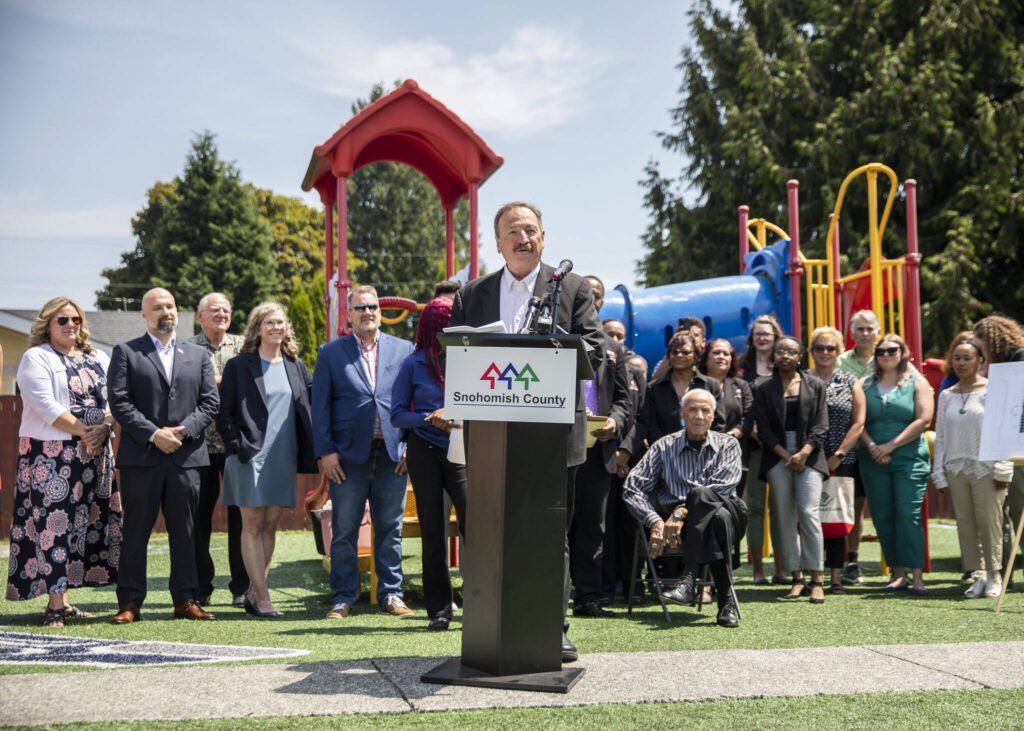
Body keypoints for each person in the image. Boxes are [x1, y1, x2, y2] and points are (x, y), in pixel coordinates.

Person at [450, 201, 604, 663]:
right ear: (498, 243)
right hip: (492, 434)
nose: (523, 238)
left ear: (544, 237)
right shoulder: (472, 294)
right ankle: (488, 624)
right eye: (513, 232)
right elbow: (455, 355)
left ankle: (551, 625)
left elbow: (593, 348)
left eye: (531, 230)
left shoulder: (572, 287)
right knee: (492, 528)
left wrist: (553, 349)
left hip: (552, 435)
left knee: (549, 530)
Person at [7, 298, 121, 627]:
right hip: (50, 455)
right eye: (62, 320)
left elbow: (116, 399)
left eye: (76, 319)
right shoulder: (36, 357)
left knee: (83, 527)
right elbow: (44, 404)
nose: (71, 324)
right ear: (47, 324)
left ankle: (67, 600)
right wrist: (88, 432)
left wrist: (104, 429)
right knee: (52, 528)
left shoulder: (98, 356)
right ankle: (55, 605)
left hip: (96, 454)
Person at [107, 288, 219, 623]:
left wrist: (182, 432)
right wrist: (155, 435)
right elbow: (120, 402)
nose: (165, 312)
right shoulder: (127, 352)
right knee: (136, 533)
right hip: (143, 458)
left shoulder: (197, 355)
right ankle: (130, 603)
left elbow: (210, 403)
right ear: (144, 315)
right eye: (157, 307)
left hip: (186, 458)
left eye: (170, 305)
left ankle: (186, 599)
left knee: (186, 532)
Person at [312, 285, 414, 620]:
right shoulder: (330, 353)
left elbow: (416, 400)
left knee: (390, 528)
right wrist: (326, 453)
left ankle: (391, 595)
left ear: (380, 313)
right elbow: (320, 407)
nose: (367, 312)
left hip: (392, 455)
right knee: (344, 530)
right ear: (349, 315)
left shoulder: (404, 350)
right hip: (347, 458)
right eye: (360, 308)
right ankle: (343, 597)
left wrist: (409, 445)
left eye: (372, 307)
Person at [217, 303, 316, 618]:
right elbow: (224, 412)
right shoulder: (239, 365)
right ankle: (262, 598)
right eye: (270, 322)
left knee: (272, 524)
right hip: (248, 456)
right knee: (253, 524)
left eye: (281, 322)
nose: (277, 327)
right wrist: (237, 445)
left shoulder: (296, 365)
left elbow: (314, 402)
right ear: (258, 327)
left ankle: (254, 592)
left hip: (283, 455)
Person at [622, 389, 746, 628]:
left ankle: (688, 578)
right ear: (682, 415)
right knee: (715, 520)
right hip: (690, 527)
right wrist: (654, 521)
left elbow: (722, 488)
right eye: (692, 410)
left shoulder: (728, 444)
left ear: (713, 416)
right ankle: (726, 603)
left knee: (706, 500)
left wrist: (680, 511)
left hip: (731, 518)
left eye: (705, 410)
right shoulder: (663, 446)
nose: (698, 416)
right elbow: (632, 488)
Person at [389, 297, 467, 631]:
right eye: (445, 322)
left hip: (463, 450)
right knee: (433, 531)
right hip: (424, 451)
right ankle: (439, 609)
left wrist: (457, 416)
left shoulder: (468, 361)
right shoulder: (413, 364)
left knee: (476, 525)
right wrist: (427, 418)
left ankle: (482, 600)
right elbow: (396, 415)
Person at [932, 339, 1013, 598]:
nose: (961, 363)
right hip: (956, 467)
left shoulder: (993, 391)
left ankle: (994, 574)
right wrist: (939, 473)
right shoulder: (946, 395)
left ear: (980, 361)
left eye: (967, 358)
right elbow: (940, 435)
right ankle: (976, 574)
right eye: (957, 358)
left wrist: (1003, 468)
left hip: (987, 468)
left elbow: (1005, 432)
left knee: (990, 523)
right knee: (966, 524)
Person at [752, 336, 830, 603]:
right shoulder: (764, 388)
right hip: (778, 456)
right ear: (774, 356)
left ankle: (817, 579)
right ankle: (796, 578)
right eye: (780, 351)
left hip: (810, 454)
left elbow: (821, 426)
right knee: (783, 516)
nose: (785, 355)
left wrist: (804, 452)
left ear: (800, 357)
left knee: (809, 513)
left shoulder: (816, 385)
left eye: (791, 352)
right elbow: (762, 429)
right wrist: (786, 455)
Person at [571, 275, 632, 618]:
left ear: (600, 302)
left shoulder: (613, 348)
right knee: (562, 523)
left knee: (594, 526)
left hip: (600, 448)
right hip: (563, 446)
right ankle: (556, 593)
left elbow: (624, 399)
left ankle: (589, 598)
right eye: (584, 296)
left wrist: (616, 421)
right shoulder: (559, 340)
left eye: (595, 296)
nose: (589, 301)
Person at [857, 334, 934, 595]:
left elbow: (924, 420)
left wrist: (890, 446)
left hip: (909, 458)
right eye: (881, 351)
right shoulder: (864, 384)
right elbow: (858, 423)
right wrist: (872, 447)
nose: (886, 355)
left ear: (902, 353)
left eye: (892, 350)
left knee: (907, 514)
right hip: (872, 458)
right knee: (882, 515)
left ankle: (917, 574)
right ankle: (897, 573)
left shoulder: (917, 382)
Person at [189, 292, 248, 608]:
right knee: (198, 518)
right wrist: (227, 380)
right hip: (197, 444)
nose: (222, 314)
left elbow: (252, 381)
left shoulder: (243, 346)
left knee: (242, 515)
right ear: (200, 316)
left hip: (235, 444)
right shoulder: (186, 348)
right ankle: (201, 587)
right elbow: (186, 385)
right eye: (214, 310)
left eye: (226, 309)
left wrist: (210, 381)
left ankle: (242, 586)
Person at [807, 327, 865, 594]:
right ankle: (812, 574)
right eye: (820, 348)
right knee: (809, 518)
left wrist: (838, 455)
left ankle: (836, 577)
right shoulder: (803, 380)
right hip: (808, 458)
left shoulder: (850, 380)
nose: (825, 353)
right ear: (812, 351)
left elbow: (859, 422)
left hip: (842, 459)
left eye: (831, 348)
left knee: (836, 517)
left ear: (839, 351)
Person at [971, 314, 1024, 585]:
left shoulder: (1019, 359)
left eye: (980, 345)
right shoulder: (996, 365)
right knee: (998, 514)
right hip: (997, 447)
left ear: (991, 340)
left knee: (1018, 509)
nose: (978, 351)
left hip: (1016, 452)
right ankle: (1002, 573)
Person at [736, 315, 786, 585]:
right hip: (753, 447)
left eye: (767, 333)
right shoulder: (743, 368)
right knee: (754, 509)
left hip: (780, 450)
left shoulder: (786, 365)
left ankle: (781, 569)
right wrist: (752, 430)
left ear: (776, 336)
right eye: (758, 334)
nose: (763, 338)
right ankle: (757, 571)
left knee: (780, 509)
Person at [622, 331, 723, 459]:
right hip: (667, 457)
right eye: (674, 352)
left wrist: (706, 450)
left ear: (696, 355)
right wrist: (668, 451)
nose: (679, 355)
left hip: (705, 456)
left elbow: (719, 423)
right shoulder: (654, 388)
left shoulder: (711, 385)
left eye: (685, 352)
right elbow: (652, 427)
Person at [836, 309, 882, 585]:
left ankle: (897, 561)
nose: (865, 333)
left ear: (877, 331)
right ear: (851, 333)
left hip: (884, 440)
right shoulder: (842, 361)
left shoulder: (889, 356)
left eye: (869, 328)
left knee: (872, 504)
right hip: (852, 441)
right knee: (850, 504)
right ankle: (849, 559)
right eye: (860, 329)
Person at [698, 338, 751, 444]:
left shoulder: (741, 385)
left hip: (734, 446)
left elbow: (749, 416)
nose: (721, 357)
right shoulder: (696, 384)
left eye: (726, 354)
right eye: (716, 353)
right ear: (706, 359)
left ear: (731, 360)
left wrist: (733, 434)